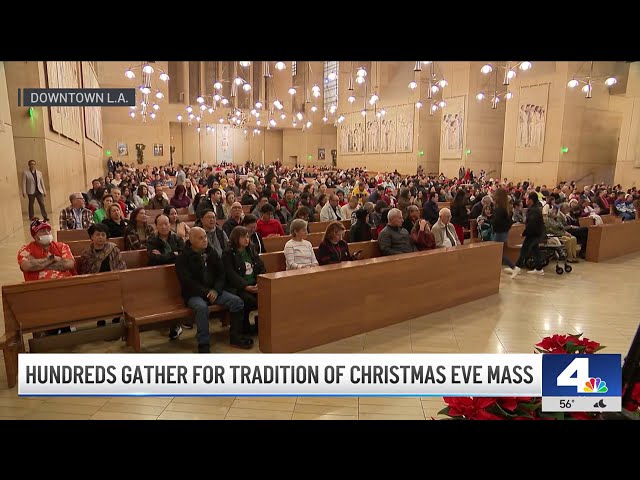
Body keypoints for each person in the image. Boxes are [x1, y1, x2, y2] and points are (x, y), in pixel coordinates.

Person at [175, 227, 253, 352]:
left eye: (205, 237)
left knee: (237, 302)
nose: (205, 240)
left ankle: (235, 337)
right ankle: (204, 344)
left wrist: (216, 290)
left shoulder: (211, 252)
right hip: (194, 294)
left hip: (214, 291)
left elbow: (221, 274)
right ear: (191, 239)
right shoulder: (183, 257)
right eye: (201, 238)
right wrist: (206, 292)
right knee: (201, 308)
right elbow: (187, 281)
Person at [222, 226, 265, 336]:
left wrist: (259, 282)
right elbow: (231, 274)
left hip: (255, 284)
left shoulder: (251, 249)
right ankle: (244, 326)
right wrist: (246, 286)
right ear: (236, 238)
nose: (247, 240)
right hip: (238, 287)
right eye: (243, 237)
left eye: (247, 237)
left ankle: (261, 324)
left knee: (268, 296)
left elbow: (261, 267)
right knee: (249, 300)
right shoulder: (228, 253)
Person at [491, 188, 520, 278]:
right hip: (502, 232)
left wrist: (490, 221)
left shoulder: (499, 210)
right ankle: (511, 267)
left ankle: (514, 267)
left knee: (498, 253)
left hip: (499, 233)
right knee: (499, 253)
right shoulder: (503, 209)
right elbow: (508, 222)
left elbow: (497, 222)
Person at [516, 192, 545, 275]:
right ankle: (539, 269)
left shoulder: (533, 210)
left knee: (524, 249)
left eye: (527, 198)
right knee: (535, 250)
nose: (525, 200)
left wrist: (524, 233)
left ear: (531, 200)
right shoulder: (535, 208)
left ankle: (517, 268)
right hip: (537, 232)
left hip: (533, 233)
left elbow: (531, 224)